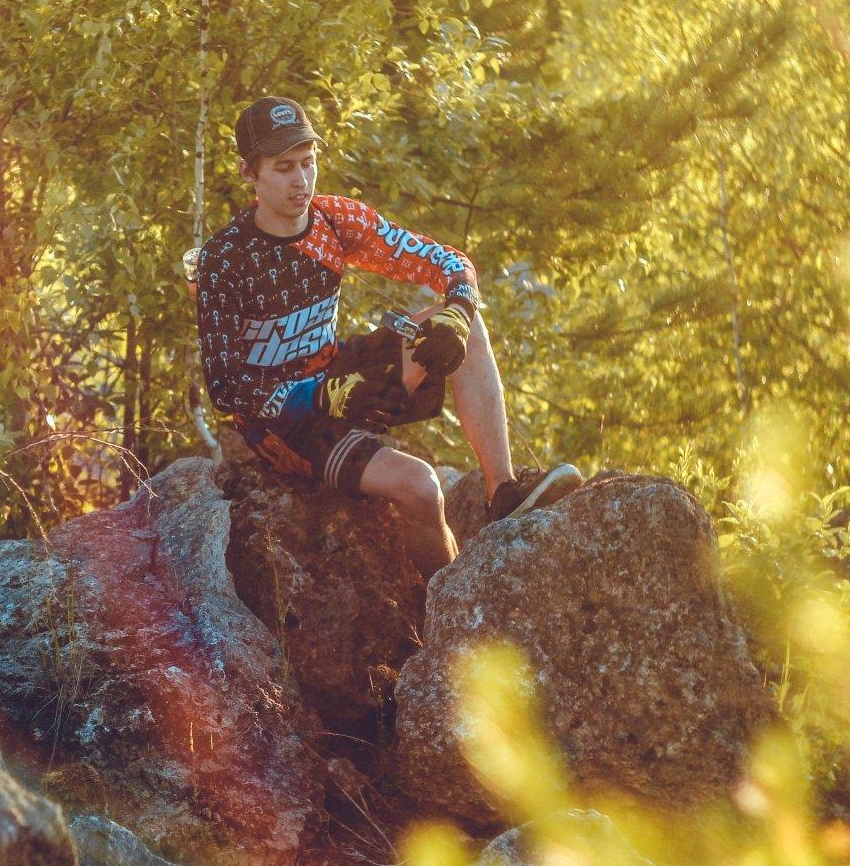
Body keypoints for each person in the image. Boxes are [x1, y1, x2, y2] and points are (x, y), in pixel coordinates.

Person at [193, 96, 582, 578]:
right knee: (422, 487)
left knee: (465, 325)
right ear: (249, 173)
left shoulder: (333, 220)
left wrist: (459, 311)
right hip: (283, 425)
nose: (301, 180)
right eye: (284, 167)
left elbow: (446, 261)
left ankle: (502, 492)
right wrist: (322, 397)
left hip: (336, 370)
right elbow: (226, 387)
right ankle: (451, 608)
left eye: (308, 162)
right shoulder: (226, 259)